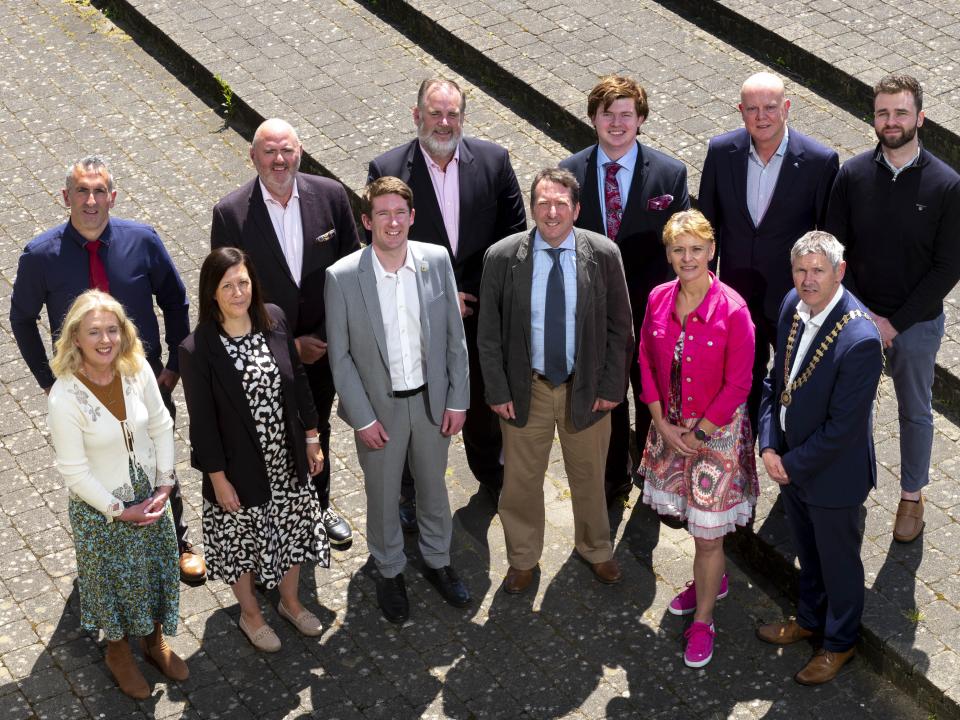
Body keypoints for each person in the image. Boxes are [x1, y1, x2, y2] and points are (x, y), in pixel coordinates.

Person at [10, 155, 205, 583]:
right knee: (93, 467)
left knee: (156, 458)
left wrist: (173, 366)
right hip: (82, 390)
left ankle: (175, 541)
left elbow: (176, 300)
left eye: (100, 191)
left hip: (145, 381)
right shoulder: (41, 256)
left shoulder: (144, 241)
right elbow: (21, 320)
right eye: (82, 190)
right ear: (66, 197)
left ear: (113, 196)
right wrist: (48, 382)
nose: (92, 200)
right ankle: (103, 559)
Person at [367, 77, 527, 526]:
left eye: (452, 114)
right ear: (417, 115)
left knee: (480, 406)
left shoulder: (494, 162)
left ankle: (491, 476)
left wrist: (474, 291)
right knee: (416, 408)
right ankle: (409, 493)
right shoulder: (387, 169)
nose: (443, 122)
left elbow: (513, 238)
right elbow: (380, 246)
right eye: (434, 113)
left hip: (480, 309)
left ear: (463, 117)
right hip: (414, 318)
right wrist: (438, 296)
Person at [477, 168, 633, 594]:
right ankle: (523, 559)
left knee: (589, 475)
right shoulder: (503, 257)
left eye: (561, 203)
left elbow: (622, 328)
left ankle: (596, 548)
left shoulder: (603, 254)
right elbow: (488, 332)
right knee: (521, 482)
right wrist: (497, 390)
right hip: (526, 389)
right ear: (531, 208)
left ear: (577, 209)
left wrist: (610, 388)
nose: (551, 211)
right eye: (543, 202)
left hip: (586, 390)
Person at [325, 177, 471, 624]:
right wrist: (362, 418)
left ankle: (438, 561)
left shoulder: (435, 260)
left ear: (412, 216)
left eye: (400, 212)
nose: (393, 222)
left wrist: (458, 399)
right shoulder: (343, 276)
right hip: (379, 412)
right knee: (383, 496)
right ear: (367, 221)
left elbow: (453, 337)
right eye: (382, 214)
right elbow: (341, 355)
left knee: (434, 490)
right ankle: (389, 570)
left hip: (431, 403)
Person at [211, 118, 360, 548]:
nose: (279, 160)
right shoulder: (231, 213)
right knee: (270, 434)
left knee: (318, 429)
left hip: (323, 347)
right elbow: (226, 295)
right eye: (270, 151)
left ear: (300, 152)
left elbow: (352, 271)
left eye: (287, 150)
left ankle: (318, 506)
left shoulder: (331, 196)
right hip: (263, 353)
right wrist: (287, 347)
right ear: (253, 156)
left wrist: (332, 338)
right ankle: (275, 514)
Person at [826, 73, 960, 544]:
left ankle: (911, 495)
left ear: (920, 118)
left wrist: (895, 323)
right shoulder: (852, 174)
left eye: (901, 112)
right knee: (851, 407)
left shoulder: (947, 184)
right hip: (856, 319)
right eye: (883, 112)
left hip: (916, 323)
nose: (891, 120)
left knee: (915, 411)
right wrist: (866, 319)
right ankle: (849, 485)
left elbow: (948, 268)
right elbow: (836, 250)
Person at [179, 248, 329, 652]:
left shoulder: (274, 318)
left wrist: (312, 437)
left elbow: (298, 382)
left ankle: (291, 603)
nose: (237, 292)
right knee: (241, 542)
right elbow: (203, 425)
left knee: (293, 530)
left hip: (286, 458)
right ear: (212, 292)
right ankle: (251, 614)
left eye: (243, 282)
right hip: (237, 467)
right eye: (227, 286)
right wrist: (217, 479)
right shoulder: (197, 349)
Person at [46, 290, 187, 699]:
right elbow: (74, 472)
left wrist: (164, 484)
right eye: (94, 332)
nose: (105, 340)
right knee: (112, 584)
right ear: (75, 338)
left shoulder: (137, 368)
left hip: (150, 494)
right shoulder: (64, 396)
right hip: (101, 510)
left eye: (112, 329)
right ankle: (119, 652)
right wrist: (118, 510)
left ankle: (154, 639)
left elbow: (160, 425)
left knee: (154, 571)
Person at [757, 231, 883, 685]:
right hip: (789, 462)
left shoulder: (861, 339)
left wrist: (788, 464)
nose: (808, 281)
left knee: (839, 564)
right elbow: (776, 381)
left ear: (840, 272)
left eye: (818, 271)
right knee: (807, 555)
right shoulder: (793, 303)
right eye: (801, 270)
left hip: (832, 476)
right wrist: (770, 444)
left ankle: (839, 642)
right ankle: (809, 619)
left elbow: (843, 430)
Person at [560, 75, 690, 505]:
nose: (617, 123)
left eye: (626, 115)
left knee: (655, 399)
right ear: (593, 119)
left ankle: (656, 477)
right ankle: (612, 480)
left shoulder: (670, 174)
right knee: (606, 401)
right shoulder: (569, 173)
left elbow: (683, 244)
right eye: (607, 114)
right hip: (595, 315)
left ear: (641, 120)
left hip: (654, 315)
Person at [637, 210, 758, 668]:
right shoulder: (656, 299)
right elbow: (645, 360)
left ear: (711, 252)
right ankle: (715, 579)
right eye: (678, 249)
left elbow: (739, 384)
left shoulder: (734, 310)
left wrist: (700, 432)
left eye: (696, 249)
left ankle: (704, 619)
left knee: (708, 539)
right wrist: (660, 422)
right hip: (670, 427)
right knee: (692, 522)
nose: (687, 258)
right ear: (668, 254)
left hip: (715, 438)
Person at [698, 72, 839, 435]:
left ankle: (790, 462)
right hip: (737, 299)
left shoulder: (820, 161)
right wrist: (705, 293)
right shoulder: (719, 152)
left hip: (795, 300)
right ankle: (742, 462)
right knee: (738, 385)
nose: (762, 116)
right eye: (753, 109)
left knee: (797, 387)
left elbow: (827, 239)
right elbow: (707, 229)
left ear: (787, 108)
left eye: (771, 108)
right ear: (741, 111)